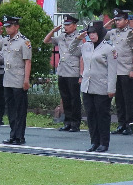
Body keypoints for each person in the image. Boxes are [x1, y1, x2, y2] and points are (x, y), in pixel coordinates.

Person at [80, 20, 117, 152]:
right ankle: (94, 142)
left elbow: (112, 71)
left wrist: (111, 89)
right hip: (87, 86)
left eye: (94, 33)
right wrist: (79, 38)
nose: (91, 35)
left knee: (102, 116)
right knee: (91, 115)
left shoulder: (109, 48)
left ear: (100, 33)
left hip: (102, 87)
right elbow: (71, 50)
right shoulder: (86, 46)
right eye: (89, 33)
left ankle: (104, 143)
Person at [45, 14, 84, 132]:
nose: (66, 27)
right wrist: (53, 31)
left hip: (73, 72)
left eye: (68, 25)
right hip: (62, 71)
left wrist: (81, 74)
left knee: (74, 99)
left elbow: (82, 57)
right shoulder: (61, 37)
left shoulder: (79, 37)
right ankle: (67, 122)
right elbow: (46, 40)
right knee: (65, 97)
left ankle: (75, 123)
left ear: (74, 26)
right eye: (65, 25)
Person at [0, 15, 33, 145]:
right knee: (11, 110)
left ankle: (20, 136)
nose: (7, 29)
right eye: (6, 27)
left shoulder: (24, 42)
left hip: (19, 79)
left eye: (9, 26)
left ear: (16, 26)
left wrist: (26, 79)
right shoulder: (5, 40)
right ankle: (13, 135)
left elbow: (28, 62)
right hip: (7, 79)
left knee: (20, 110)